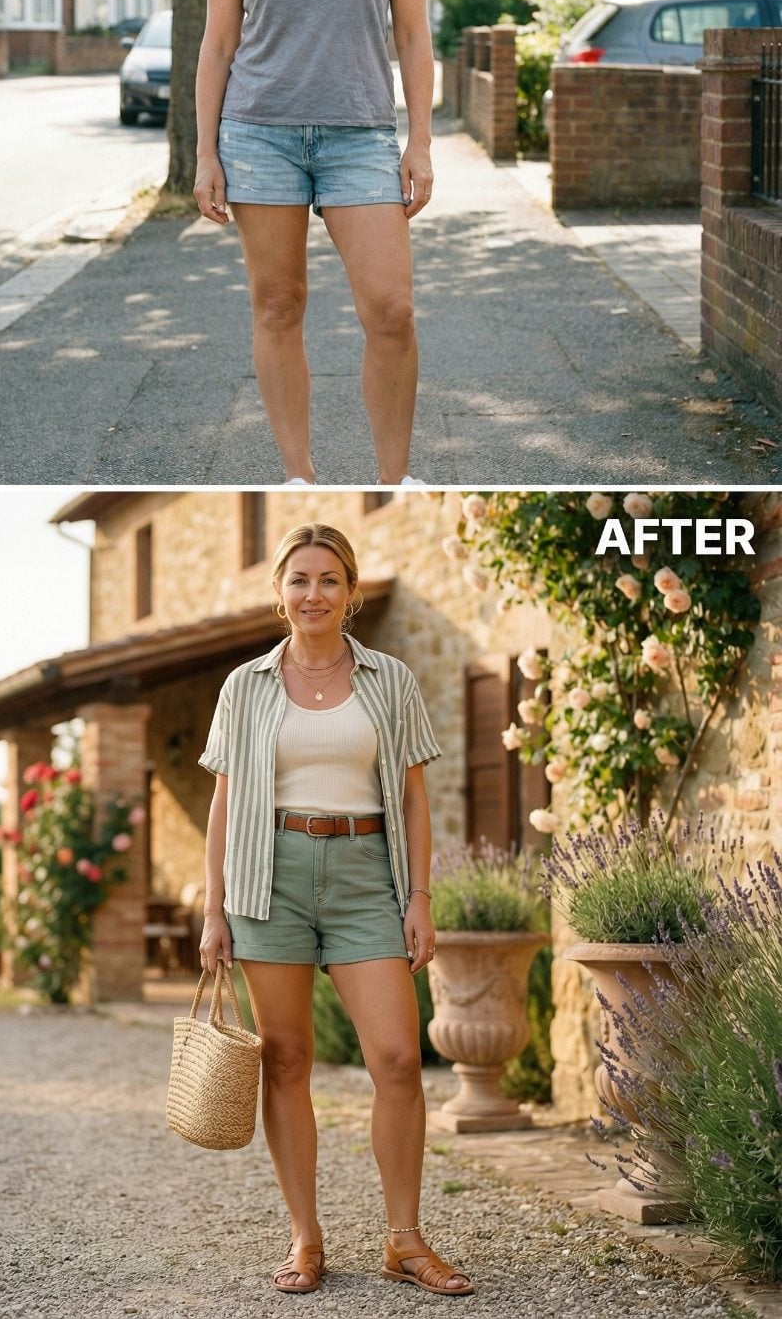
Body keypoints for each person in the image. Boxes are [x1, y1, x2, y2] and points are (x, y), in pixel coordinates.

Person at [198, 522, 474, 1297]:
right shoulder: (244, 686)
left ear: (350, 592)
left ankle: (404, 1242)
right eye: (300, 579)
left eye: (328, 580)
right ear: (279, 591)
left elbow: (414, 798)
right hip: (269, 877)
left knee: (398, 1059)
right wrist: (214, 909)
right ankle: (305, 1237)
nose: (313, 594)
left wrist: (419, 898)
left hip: (364, 877)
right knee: (286, 1059)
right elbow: (223, 802)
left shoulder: (391, 679)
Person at [194, 0, 434, 488]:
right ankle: (299, 476)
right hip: (258, 135)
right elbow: (219, 44)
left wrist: (421, 142)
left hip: (359, 136)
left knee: (391, 310)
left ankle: (394, 483)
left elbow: (413, 36)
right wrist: (205, 153)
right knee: (277, 305)